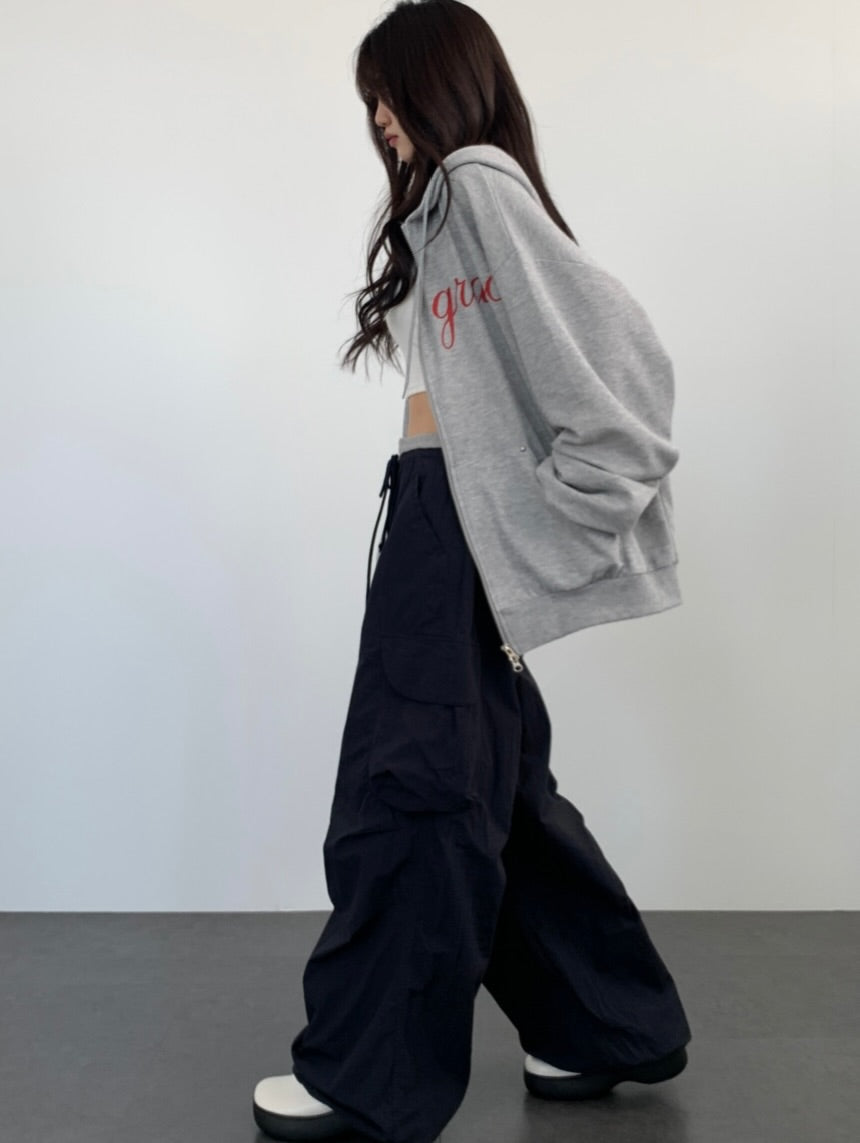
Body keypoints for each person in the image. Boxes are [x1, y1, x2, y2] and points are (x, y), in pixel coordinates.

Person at [252, 2, 692, 1141]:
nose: (379, 121)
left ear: (439, 84)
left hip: (448, 532)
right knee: (498, 791)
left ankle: (369, 1076)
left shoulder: (475, 184)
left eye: (388, 95)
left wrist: (540, 531)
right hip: (439, 518)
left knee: (411, 789)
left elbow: (625, 376)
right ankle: (602, 1026)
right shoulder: (452, 205)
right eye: (370, 104)